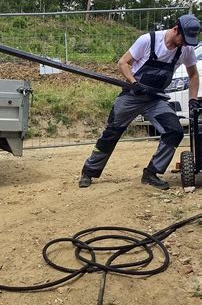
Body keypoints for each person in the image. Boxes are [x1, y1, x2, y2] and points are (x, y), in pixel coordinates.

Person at [79, 14, 200, 190]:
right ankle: (89, 172)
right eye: (184, 38)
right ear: (175, 29)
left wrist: (193, 100)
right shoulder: (148, 40)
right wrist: (134, 82)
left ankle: (151, 173)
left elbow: (193, 75)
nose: (185, 43)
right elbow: (123, 63)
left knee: (174, 131)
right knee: (111, 133)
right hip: (132, 97)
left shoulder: (186, 49)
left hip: (155, 99)